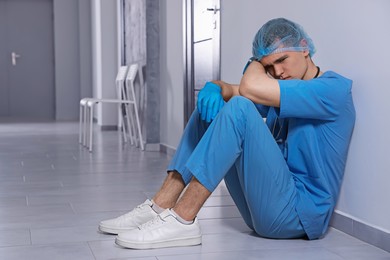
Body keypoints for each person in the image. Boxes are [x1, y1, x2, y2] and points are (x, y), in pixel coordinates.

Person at [99, 17, 355, 249]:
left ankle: (183, 219)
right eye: (269, 66)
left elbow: (249, 88)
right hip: (262, 209)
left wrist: (255, 62)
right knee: (213, 109)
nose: (277, 72)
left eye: (281, 60)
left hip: (299, 216)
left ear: (304, 47)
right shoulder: (284, 90)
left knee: (240, 108)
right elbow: (232, 89)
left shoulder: (333, 90)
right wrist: (214, 86)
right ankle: (161, 205)